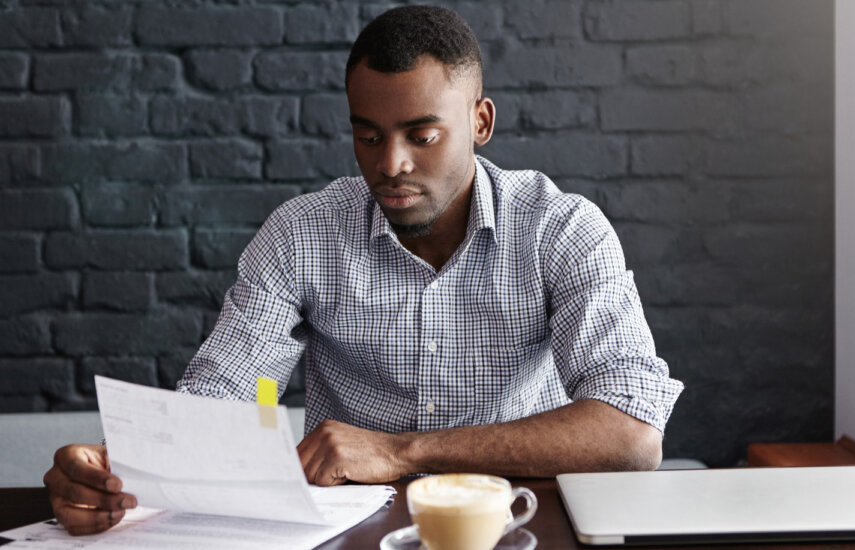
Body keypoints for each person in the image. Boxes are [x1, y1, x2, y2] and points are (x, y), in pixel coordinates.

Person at [43, 5, 683, 535]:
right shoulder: (302, 235)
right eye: (369, 136)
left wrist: (404, 450)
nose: (391, 164)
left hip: (515, 528)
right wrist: (111, 472)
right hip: (351, 533)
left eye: (421, 135)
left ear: (479, 121)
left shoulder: (561, 229)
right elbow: (228, 400)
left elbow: (631, 437)